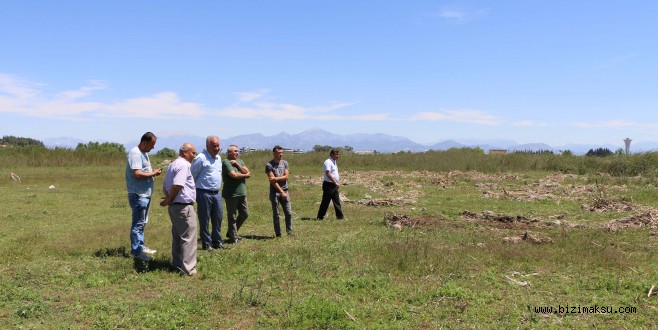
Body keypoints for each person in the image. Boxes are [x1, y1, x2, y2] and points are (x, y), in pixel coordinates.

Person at [160, 143, 198, 276]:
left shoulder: (172, 165)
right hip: (183, 206)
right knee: (189, 238)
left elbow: (165, 186)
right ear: (184, 152)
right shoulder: (184, 165)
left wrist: (169, 199)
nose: (194, 156)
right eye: (193, 153)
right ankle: (188, 269)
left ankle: (177, 264)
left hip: (174, 207)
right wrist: (170, 199)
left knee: (177, 236)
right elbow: (177, 185)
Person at [125, 132, 162, 262]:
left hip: (144, 193)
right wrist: (153, 173)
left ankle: (140, 246)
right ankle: (136, 251)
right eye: (152, 145)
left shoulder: (144, 153)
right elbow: (137, 173)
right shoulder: (135, 153)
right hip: (138, 194)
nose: (153, 148)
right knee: (138, 223)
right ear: (144, 142)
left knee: (142, 222)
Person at [191, 135, 228, 250]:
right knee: (204, 219)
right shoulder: (201, 158)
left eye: (218, 146)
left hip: (216, 193)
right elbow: (192, 175)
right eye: (214, 146)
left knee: (218, 218)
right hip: (203, 193)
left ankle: (217, 242)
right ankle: (206, 244)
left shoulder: (218, 158)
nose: (217, 148)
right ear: (207, 146)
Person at [222, 145, 251, 244]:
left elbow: (247, 171)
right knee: (232, 216)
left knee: (244, 214)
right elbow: (234, 175)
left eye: (237, 151)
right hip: (231, 194)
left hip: (242, 192)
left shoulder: (240, 161)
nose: (237, 153)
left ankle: (231, 232)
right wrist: (245, 175)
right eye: (234, 151)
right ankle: (233, 238)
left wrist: (238, 165)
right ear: (229, 152)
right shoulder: (226, 162)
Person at [266, 145, 293, 237]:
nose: (281, 155)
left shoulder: (285, 163)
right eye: (278, 153)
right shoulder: (269, 165)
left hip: (285, 191)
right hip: (275, 192)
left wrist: (276, 178)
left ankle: (289, 232)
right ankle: (278, 234)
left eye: (282, 153)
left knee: (288, 213)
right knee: (276, 214)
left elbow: (286, 176)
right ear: (274, 153)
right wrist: (281, 191)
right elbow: (272, 182)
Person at [316, 149, 344, 220]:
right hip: (329, 185)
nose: (338, 156)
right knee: (325, 202)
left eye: (338, 154)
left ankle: (340, 217)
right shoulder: (328, 162)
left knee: (337, 201)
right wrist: (335, 182)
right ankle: (320, 217)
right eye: (336, 154)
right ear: (331, 154)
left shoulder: (334, 162)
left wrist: (336, 183)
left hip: (334, 185)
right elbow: (328, 173)